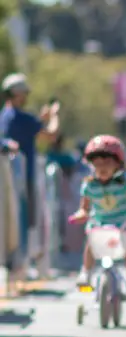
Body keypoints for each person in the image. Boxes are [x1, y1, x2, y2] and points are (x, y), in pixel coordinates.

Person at [68, 135, 126, 305]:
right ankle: (86, 272)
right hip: (100, 223)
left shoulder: (124, 184)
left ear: (117, 164)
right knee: (90, 240)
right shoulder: (89, 186)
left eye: (107, 163)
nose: (102, 168)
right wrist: (80, 215)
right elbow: (84, 208)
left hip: (123, 223)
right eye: (97, 164)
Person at [0, 73, 60, 230]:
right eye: (25, 93)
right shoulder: (22, 117)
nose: (26, 96)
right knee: (25, 224)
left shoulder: (4, 116)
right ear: (16, 93)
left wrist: (41, 119)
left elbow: (30, 128)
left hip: (8, 179)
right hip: (24, 178)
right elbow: (51, 135)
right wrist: (54, 116)